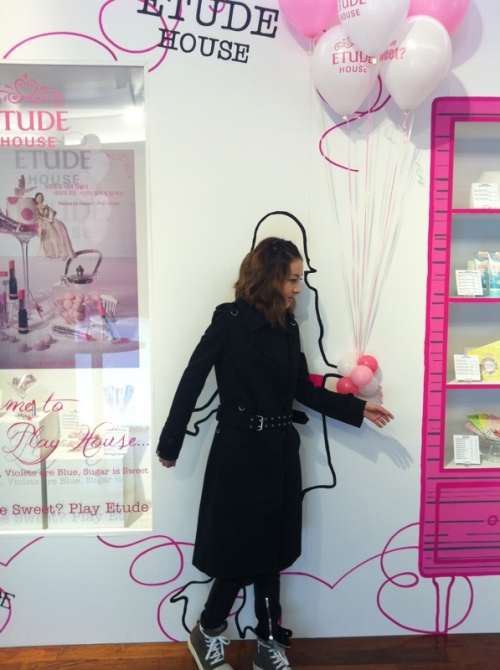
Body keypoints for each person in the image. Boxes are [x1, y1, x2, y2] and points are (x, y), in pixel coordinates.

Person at [157, 237, 394, 670]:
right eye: (292, 279)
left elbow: (302, 389)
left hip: (280, 453)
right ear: (269, 277)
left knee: (271, 552)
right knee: (237, 553)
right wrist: (171, 442)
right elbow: (192, 380)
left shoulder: (288, 326)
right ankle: (208, 631)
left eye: (298, 279)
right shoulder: (228, 321)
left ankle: (267, 643)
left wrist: (357, 409)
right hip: (237, 454)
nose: (298, 288)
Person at [35, 192, 76, 260]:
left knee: (56, 235)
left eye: (41, 197)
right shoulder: (36, 207)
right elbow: (39, 216)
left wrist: (52, 218)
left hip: (48, 221)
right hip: (42, 222)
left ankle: (59, 252)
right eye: (39, 197)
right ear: (36, 199)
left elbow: (54, 212)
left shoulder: (46, 206)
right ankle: (45, 253)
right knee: (45, 237)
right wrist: (49, 220)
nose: (40, 198)